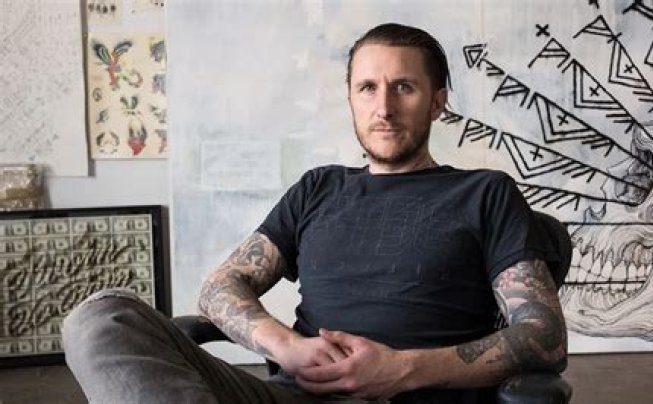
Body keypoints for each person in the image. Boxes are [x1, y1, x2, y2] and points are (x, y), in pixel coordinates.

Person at [63, 23, 567, 404]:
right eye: (367, 88)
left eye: (404, 88)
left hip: (413, 395)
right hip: (291, 395)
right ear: (351, 99)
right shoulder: (319, 188)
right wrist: (287, 347)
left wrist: (401, 369)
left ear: (437, 103)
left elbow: (543, 336)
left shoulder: (484, 193)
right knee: (100, 319)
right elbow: (220, 287)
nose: (384, 108)